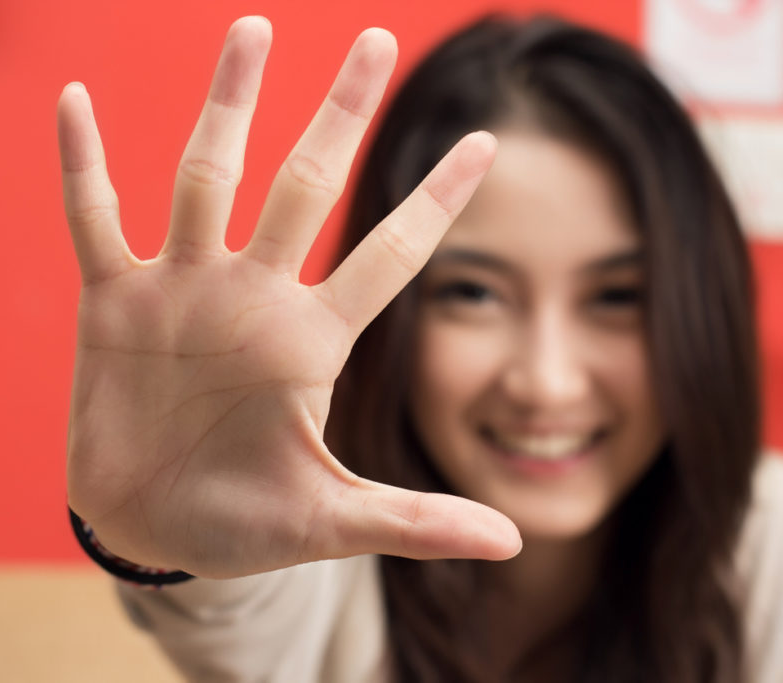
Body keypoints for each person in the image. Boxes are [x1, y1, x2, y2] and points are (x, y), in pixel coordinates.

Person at [57, 13, 783, 683]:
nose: (548, 382)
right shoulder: (314, 530)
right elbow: (235, 598)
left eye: (617, 297)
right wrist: (157, 541)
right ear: (395, 314)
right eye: (474, 293)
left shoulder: (768, 548)